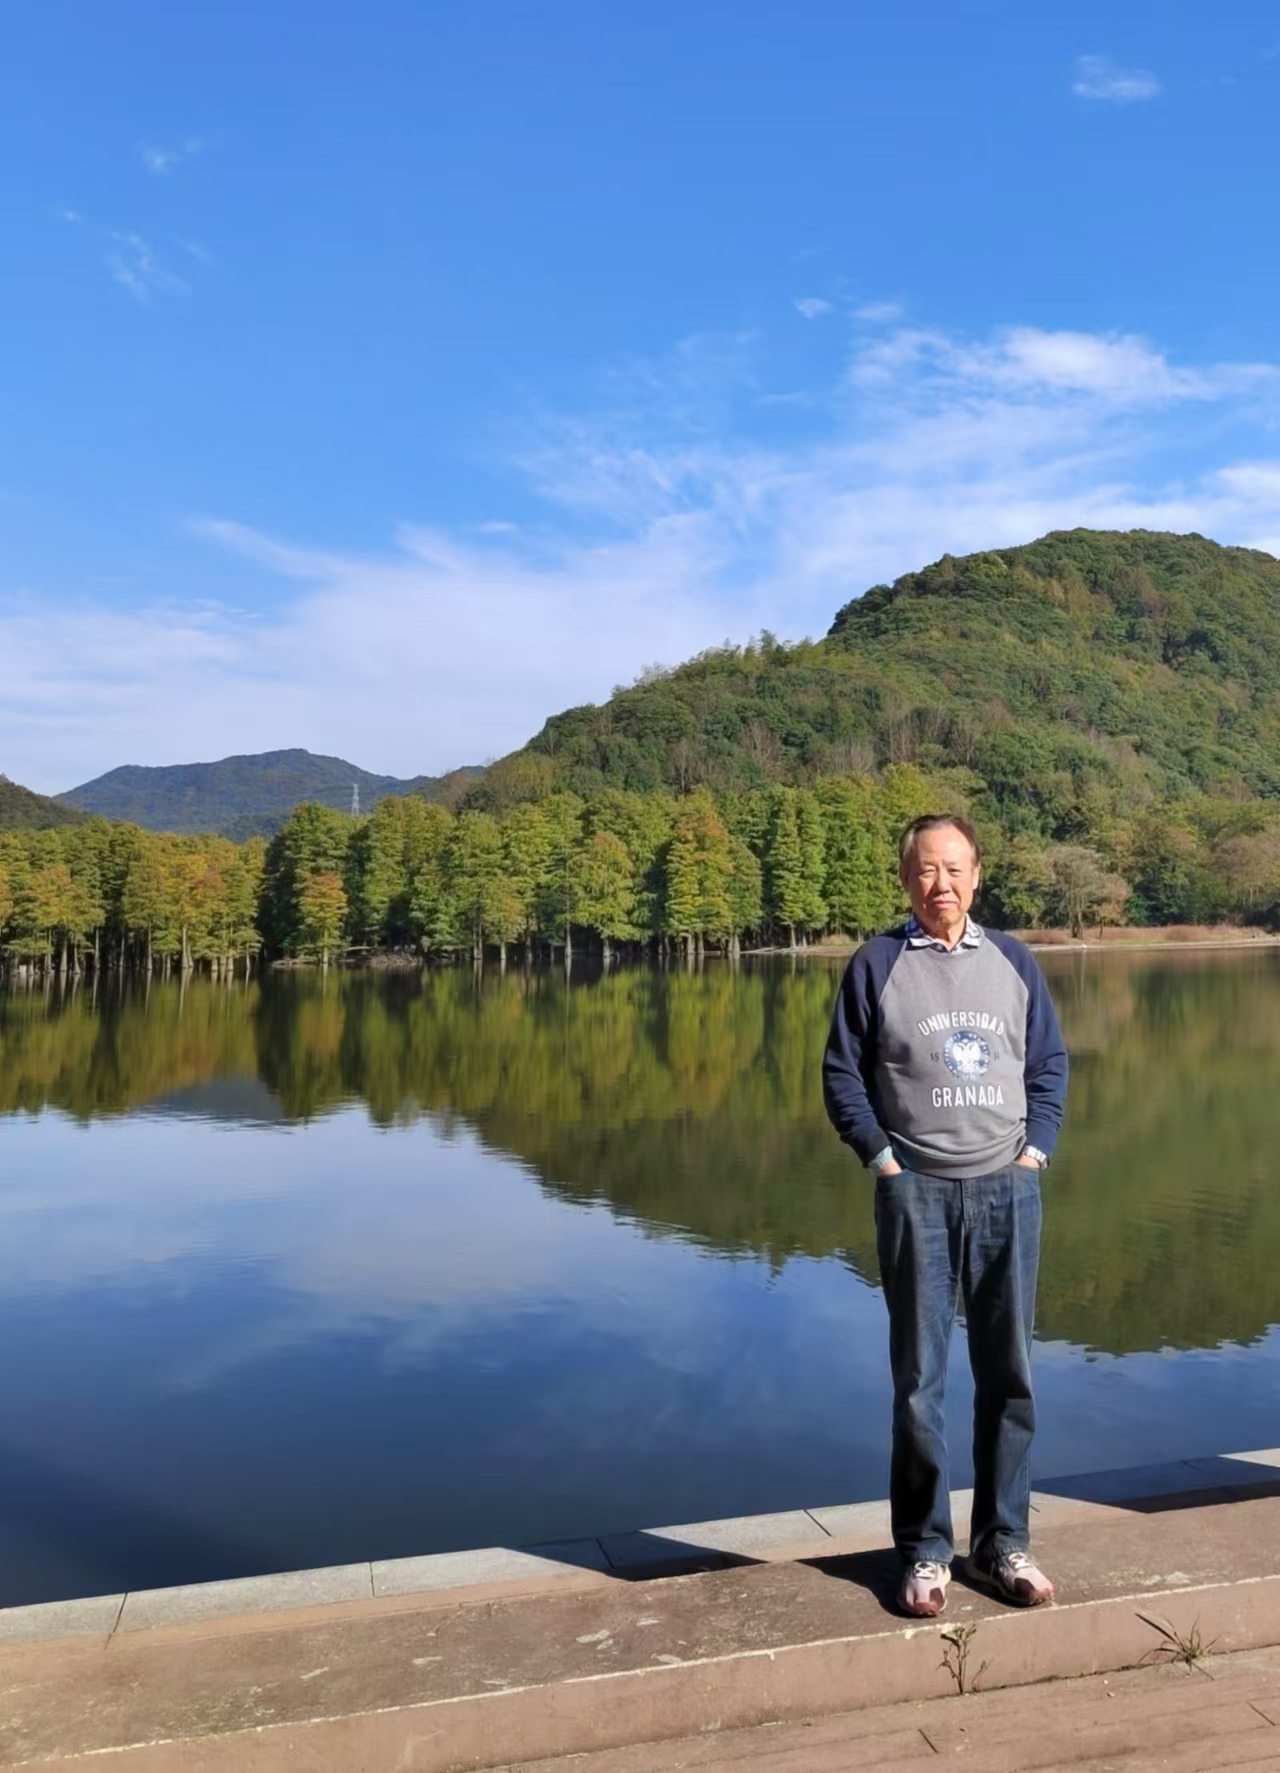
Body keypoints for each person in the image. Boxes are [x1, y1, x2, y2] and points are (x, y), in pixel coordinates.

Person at [822, 814, 1068, 1618]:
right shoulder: (876, 964)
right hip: (917, 1190)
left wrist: (1035, 1152)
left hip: (1008, 1188)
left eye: (955, 868)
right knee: (919, 1383)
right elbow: (842, 1074)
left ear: (977, 874)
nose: (942, 884)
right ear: (906, 879)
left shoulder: (1014, 961)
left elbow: (1048, 1064)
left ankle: (1002, 1543)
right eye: (927, 869)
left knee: (1010, 1375)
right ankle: (925, 1551)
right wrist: (883, 1161)